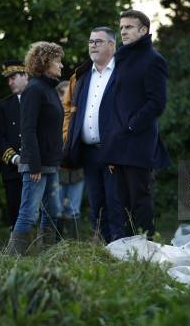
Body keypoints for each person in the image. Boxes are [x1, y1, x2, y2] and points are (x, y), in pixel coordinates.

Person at [102, 10, 170, 239]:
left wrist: (131, 126)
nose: (123, 31)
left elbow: (157, 103)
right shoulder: (120, 58)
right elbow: (115, 101)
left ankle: (145, 250)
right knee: (122, 202)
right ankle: (128, 251)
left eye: (129, 27)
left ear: (143, 30)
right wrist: (114, 136)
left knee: (140, 200)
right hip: (119, 143)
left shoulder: (154, 60)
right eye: (121, 27)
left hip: (139, 142)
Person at [62, 27, 125, 243]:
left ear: (111, 45)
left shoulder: (123, 73)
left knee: (115, 202)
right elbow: (68, 110)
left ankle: (121, 249)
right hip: (88, 152)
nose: (93, 45)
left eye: (98, 41)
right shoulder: (80, 76)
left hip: (115, 151)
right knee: (97, 204)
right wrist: (67, 140)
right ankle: (106, 248)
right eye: (90, 41)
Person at [5, 42, 64, 255]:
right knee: (29, 214)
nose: (61, 65)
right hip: (36, 165)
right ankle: (13, 260)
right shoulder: (34, 89)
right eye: (57, 60)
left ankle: (47, 257)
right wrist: (35, 165)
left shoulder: (49, 89)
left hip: (50, 164)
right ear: (45, 62)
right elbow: (27, 129)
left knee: (52, 212)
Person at [0, 60, 29, 230]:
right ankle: (17, 252)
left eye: (13, 77)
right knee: (15, 213)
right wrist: (14, 158)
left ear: (26, 75)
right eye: (7, 79)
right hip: (13, 169)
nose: (9, 82)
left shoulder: (41, 99)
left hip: (38, 166)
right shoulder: (3, 106)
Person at [56, 80, 84, 239]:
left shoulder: (79, 114)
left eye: (69, 93)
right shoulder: (53, 115)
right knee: (57, 208)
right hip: (58, 168)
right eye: (62, 93)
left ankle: (74, 247)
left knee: (74, 210)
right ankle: (55, 247)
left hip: (77, 168)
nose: (66, 97)